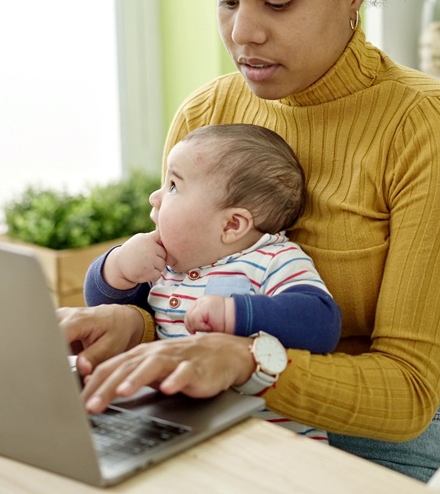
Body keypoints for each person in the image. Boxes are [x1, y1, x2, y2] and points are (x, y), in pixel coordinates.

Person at [59, 0, 440, 482]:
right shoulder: (207, 114)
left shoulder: (428, 127)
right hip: (227, 403)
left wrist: (249, 362)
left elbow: (411, 392)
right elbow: (177, 292)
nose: (243, 31)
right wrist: (127, 328)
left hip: (381, 431)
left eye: (277, 1)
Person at [84, 123, 342, 440]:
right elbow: (105, 314)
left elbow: (320, 323)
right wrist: (118, 269)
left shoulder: (272, 259)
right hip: (182, 431)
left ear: (232, 224)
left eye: (174, 186)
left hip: (268, 443)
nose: (155, 196)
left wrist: (235, 314)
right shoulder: (165, 262)